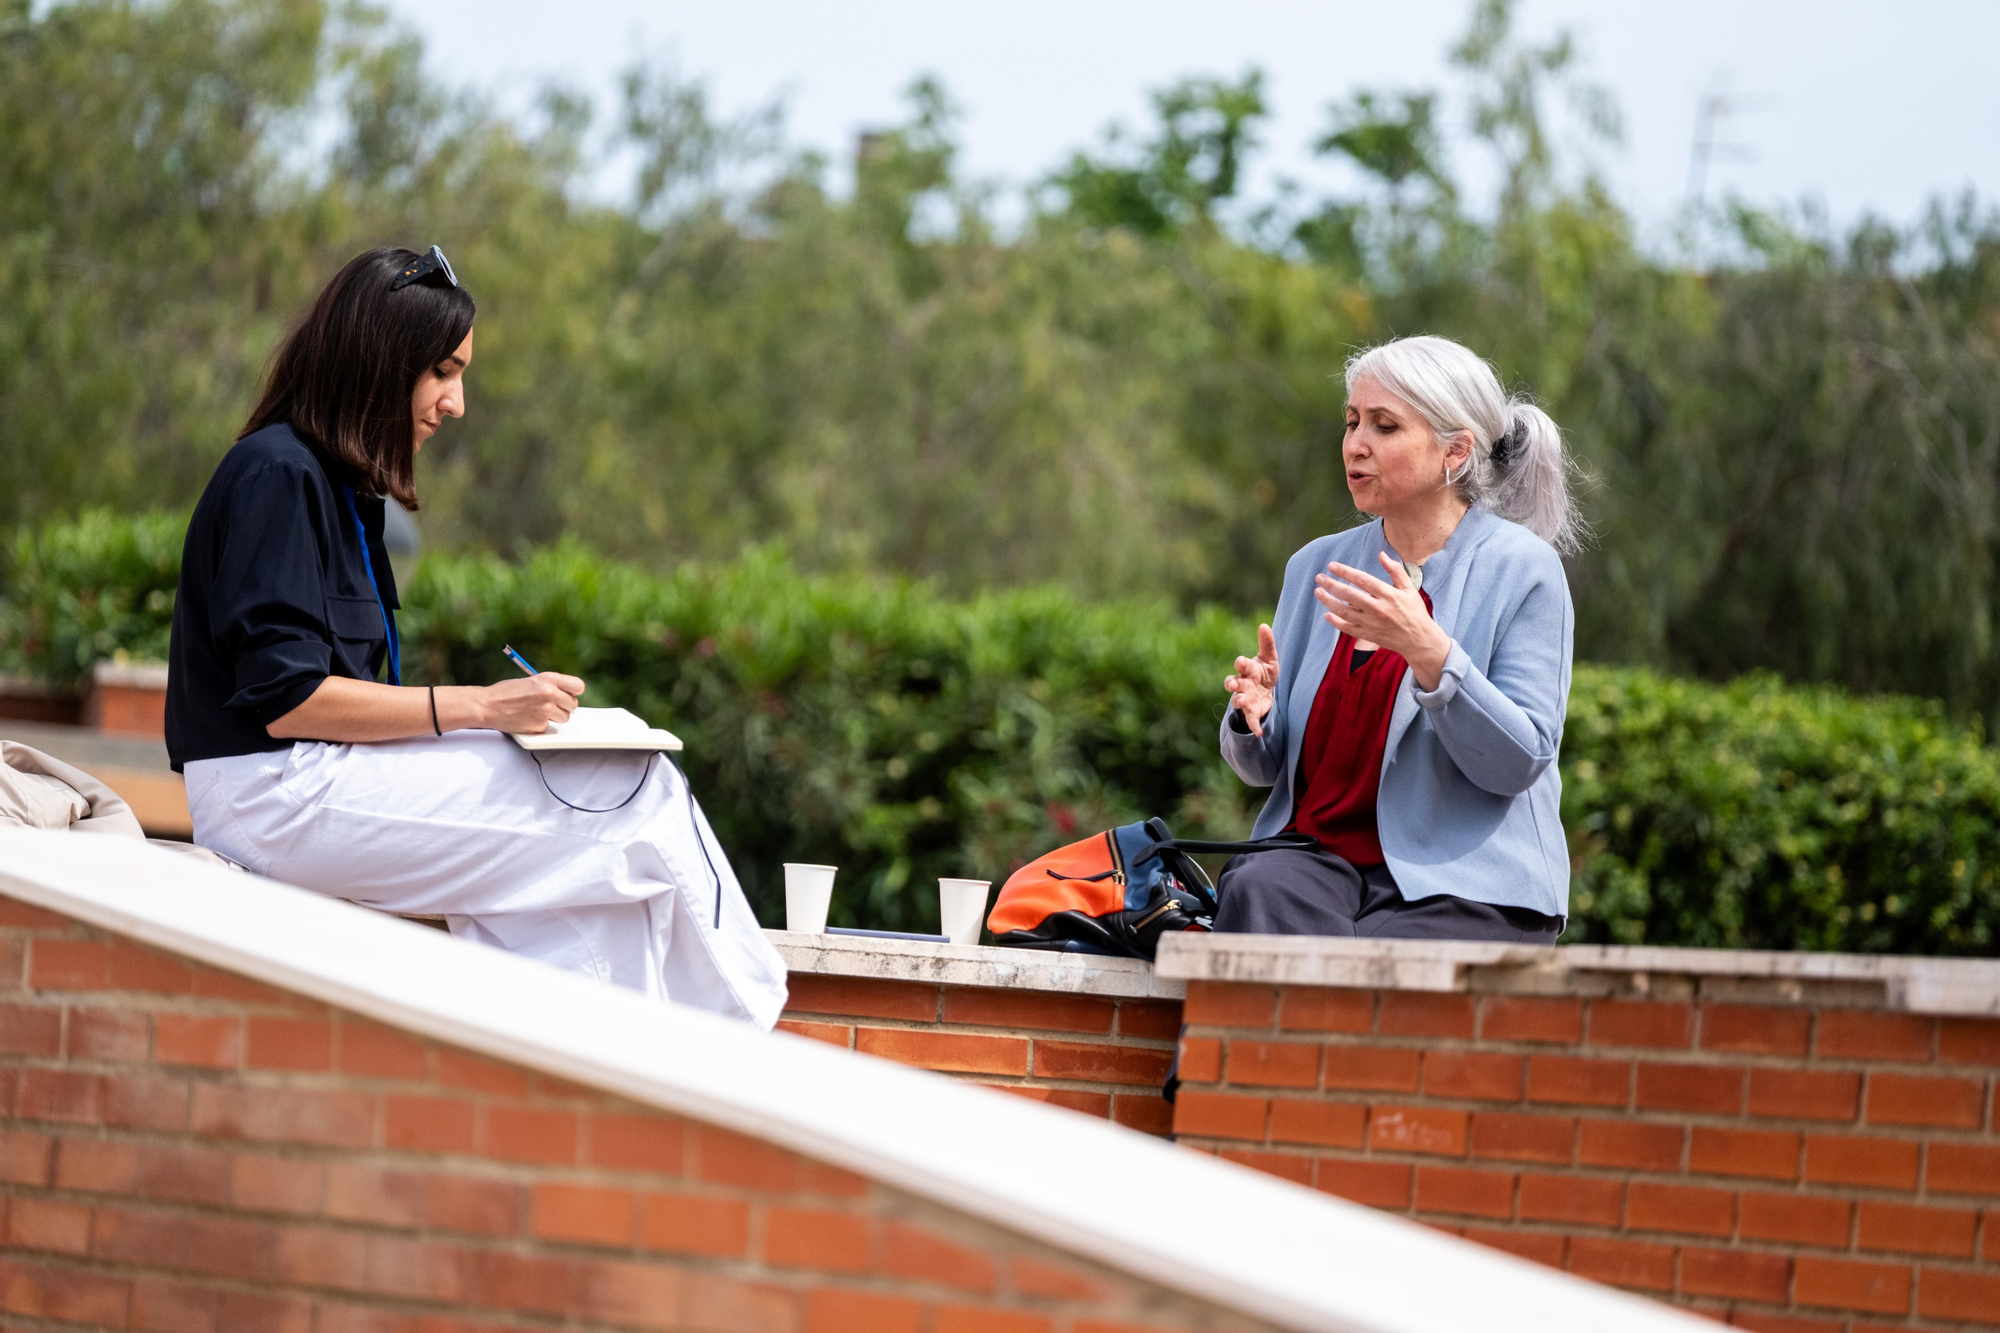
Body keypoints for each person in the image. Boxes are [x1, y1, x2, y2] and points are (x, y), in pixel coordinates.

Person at [165, 246, 788, 1027]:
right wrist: (485, 708)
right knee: (634, 789)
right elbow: (291, 701)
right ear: (379, 363)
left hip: (309, 784)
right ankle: (758, 1044)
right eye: (444, 372)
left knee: (594, 881)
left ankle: (611, 1075)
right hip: (274, 795)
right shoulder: (276, 474)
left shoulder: (335, 485)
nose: (457, 402)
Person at [1216, 335, 1582, 942]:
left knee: (1389, 985)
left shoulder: (1524, 569)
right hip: (1317, 867)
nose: (1357, 444)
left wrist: (1429, 650)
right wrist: (1253, 717)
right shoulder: (1316, 567)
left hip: (1466, 885)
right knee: (1257, 887)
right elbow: (1264, 769)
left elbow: (1521, 759)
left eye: (1385, 426)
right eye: (1353, 421)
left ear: (1456, 451)